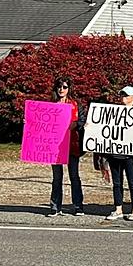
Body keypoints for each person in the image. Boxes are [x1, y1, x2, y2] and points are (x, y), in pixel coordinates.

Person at [105, 86, 133, 221]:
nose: (123, 97)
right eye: (122, 95)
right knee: (117, 183)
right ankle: (118, 209)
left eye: (126, 95)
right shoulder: (112, 112)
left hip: (132, 155)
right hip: (115, 153)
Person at [47, 76, 85, 217]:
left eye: (64, 87)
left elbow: (82, 120)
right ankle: (55, 206)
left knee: (74, 176)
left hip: (72, 145)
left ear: (69, 89)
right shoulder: (50, 105)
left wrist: (77, 125)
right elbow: (42, 123)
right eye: (59, 86)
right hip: (55, 147)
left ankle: (78, 206)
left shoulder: (75, 104)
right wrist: (30, 120)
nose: (61, 89)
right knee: (57, 177)